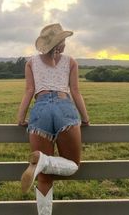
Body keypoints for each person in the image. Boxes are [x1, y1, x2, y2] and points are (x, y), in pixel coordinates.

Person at [17, 23, 89, 215]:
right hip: (64, 107)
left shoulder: (31, 62)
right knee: (73, 165)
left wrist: (20, 117)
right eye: (64, 40)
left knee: (44, 178)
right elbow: (75, 91)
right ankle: (44, 161)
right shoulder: (71, 62)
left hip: (40, 109)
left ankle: (41, 162)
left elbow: (29, 91)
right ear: (60, 43)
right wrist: (85, 118)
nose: (65, 43)